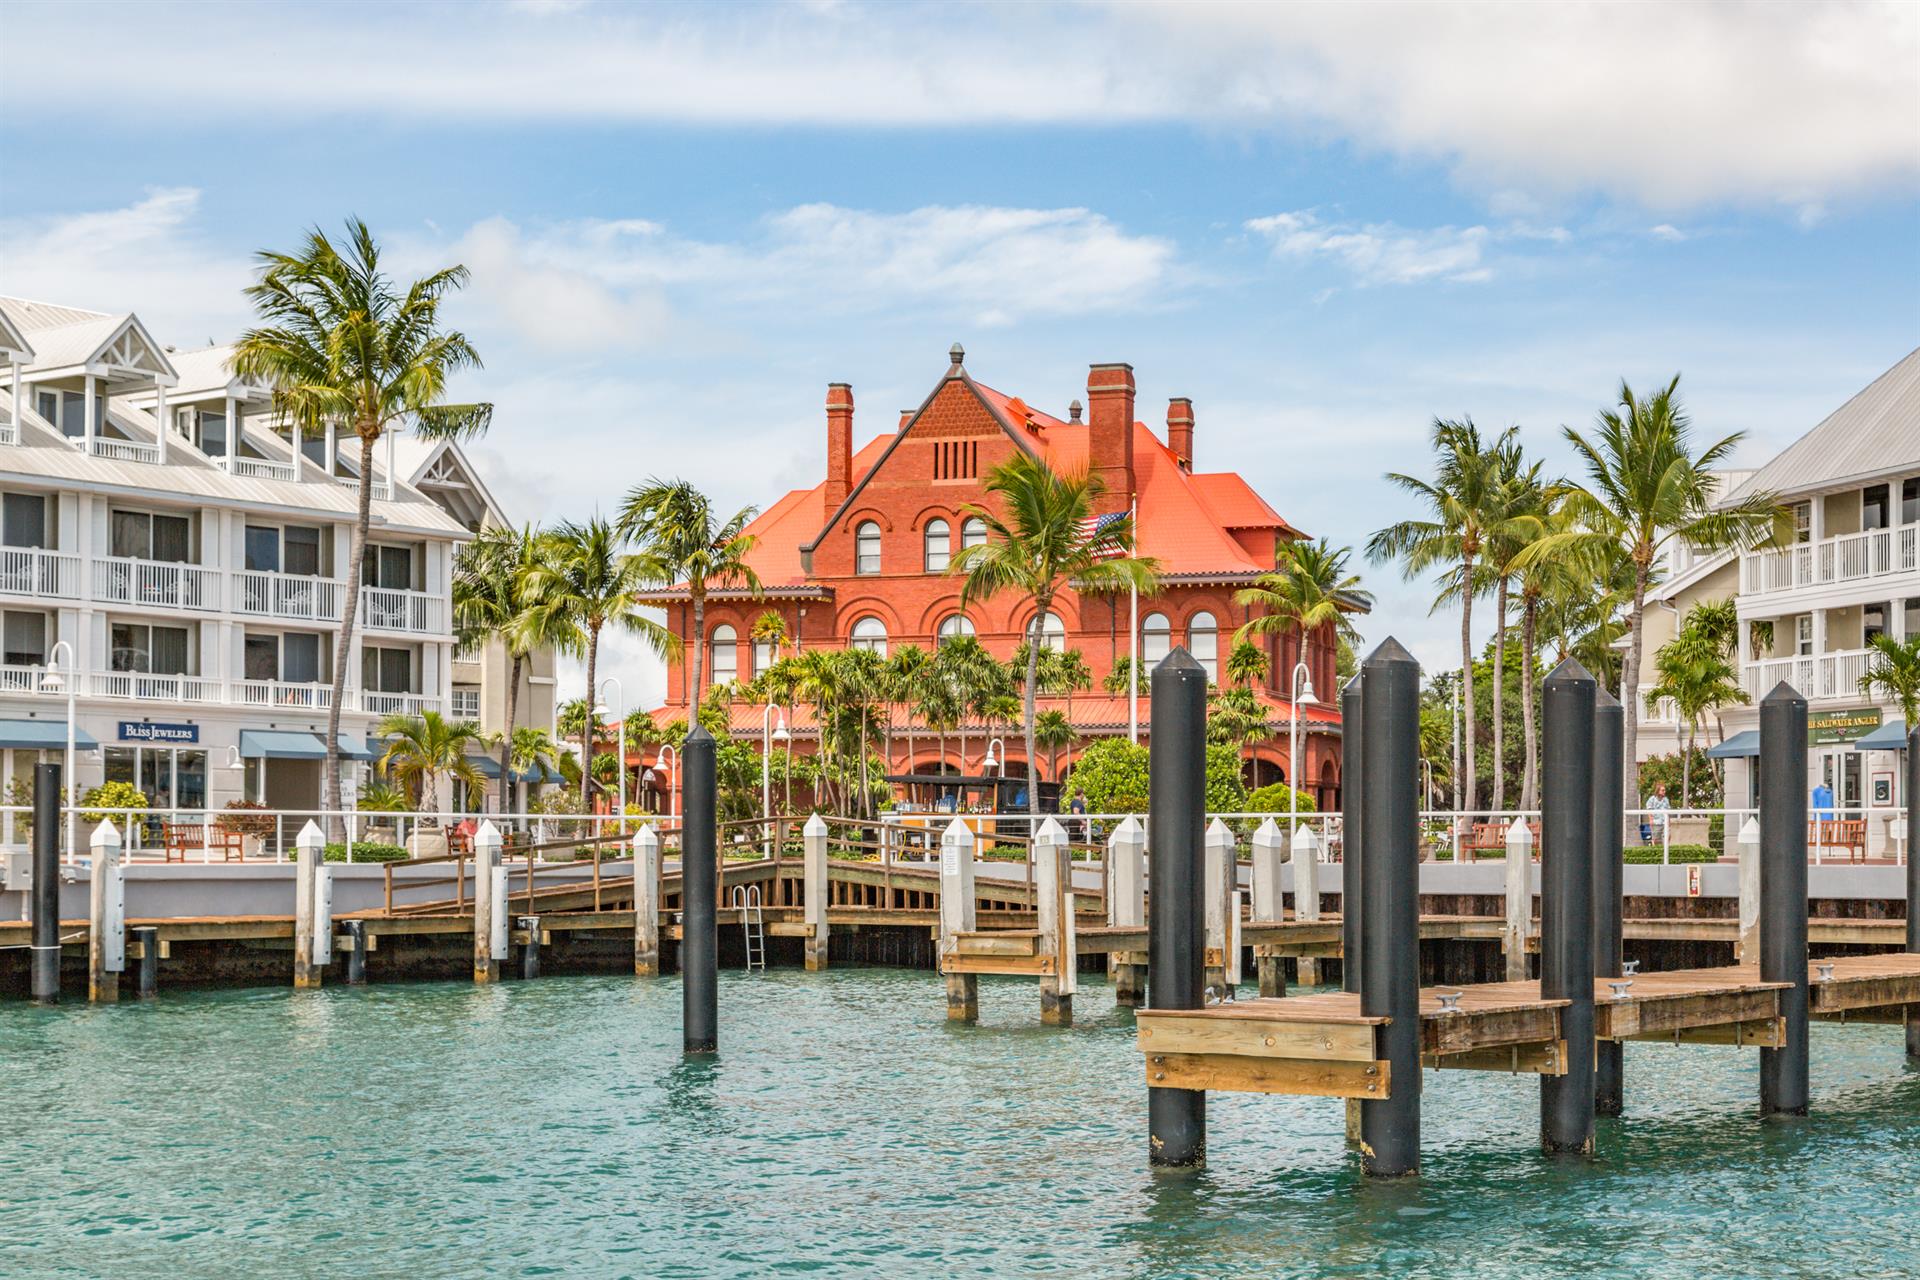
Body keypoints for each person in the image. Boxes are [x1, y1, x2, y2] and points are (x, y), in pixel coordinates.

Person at [1641, 781, 1670, 846]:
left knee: (1668, 836)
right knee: (1656, 839)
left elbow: (1668, 810)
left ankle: (1666, 851)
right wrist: (1651, 820)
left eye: (1664, 790)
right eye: (1663, 790)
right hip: (1656, 822)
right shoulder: (1652, 799)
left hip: (1665, 822)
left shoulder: (1666, 799)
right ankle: (1657, 851)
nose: (1664, 791)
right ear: (1658, 791)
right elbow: (1649, 810)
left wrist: (1669, 821)